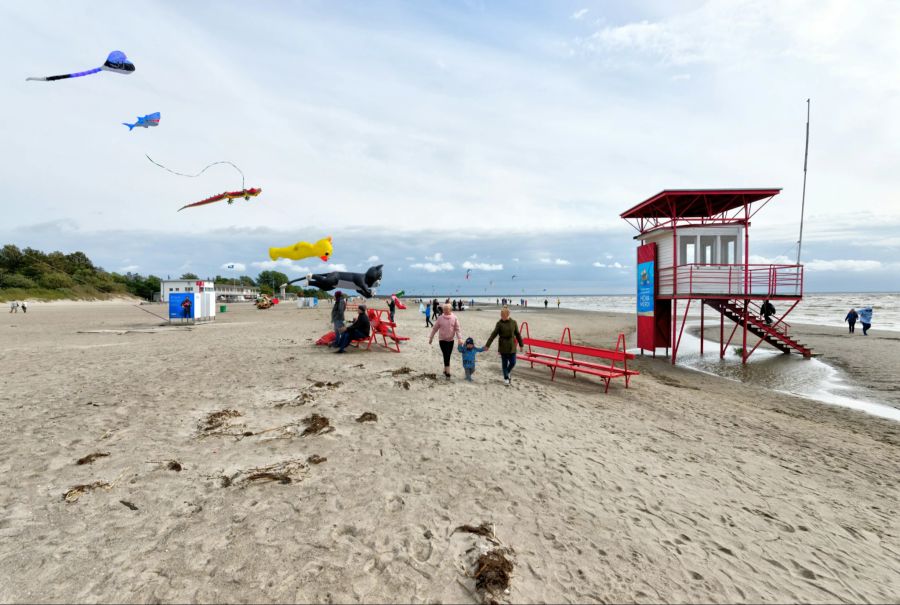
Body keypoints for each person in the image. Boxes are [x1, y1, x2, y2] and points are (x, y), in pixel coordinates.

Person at [485, 306, 524, 386]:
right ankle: (506, 378)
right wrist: (487, 345)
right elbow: (493, 335)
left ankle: (508, 372)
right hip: (503, 345)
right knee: (504, 364)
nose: (502, 317)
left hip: (512, 345)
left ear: (507, 315)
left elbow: (517, 334)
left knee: (513, 362)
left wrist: (521, 344)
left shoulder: (514, 322)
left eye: (503, 315)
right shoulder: (499, 324)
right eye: (501, 315)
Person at [429, 303, 462, 379]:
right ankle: (448, 372)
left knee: (448, 355)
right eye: (444, 309)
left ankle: (444, 369)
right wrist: (431, 337)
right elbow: (435, 328)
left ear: (450, 309)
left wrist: (460, 338)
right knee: (446, 355)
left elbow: (457, 329)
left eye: (446, 309)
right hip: (442, 340)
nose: (445, 310)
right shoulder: (440, 318)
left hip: (451, 340)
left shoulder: (454, 318)